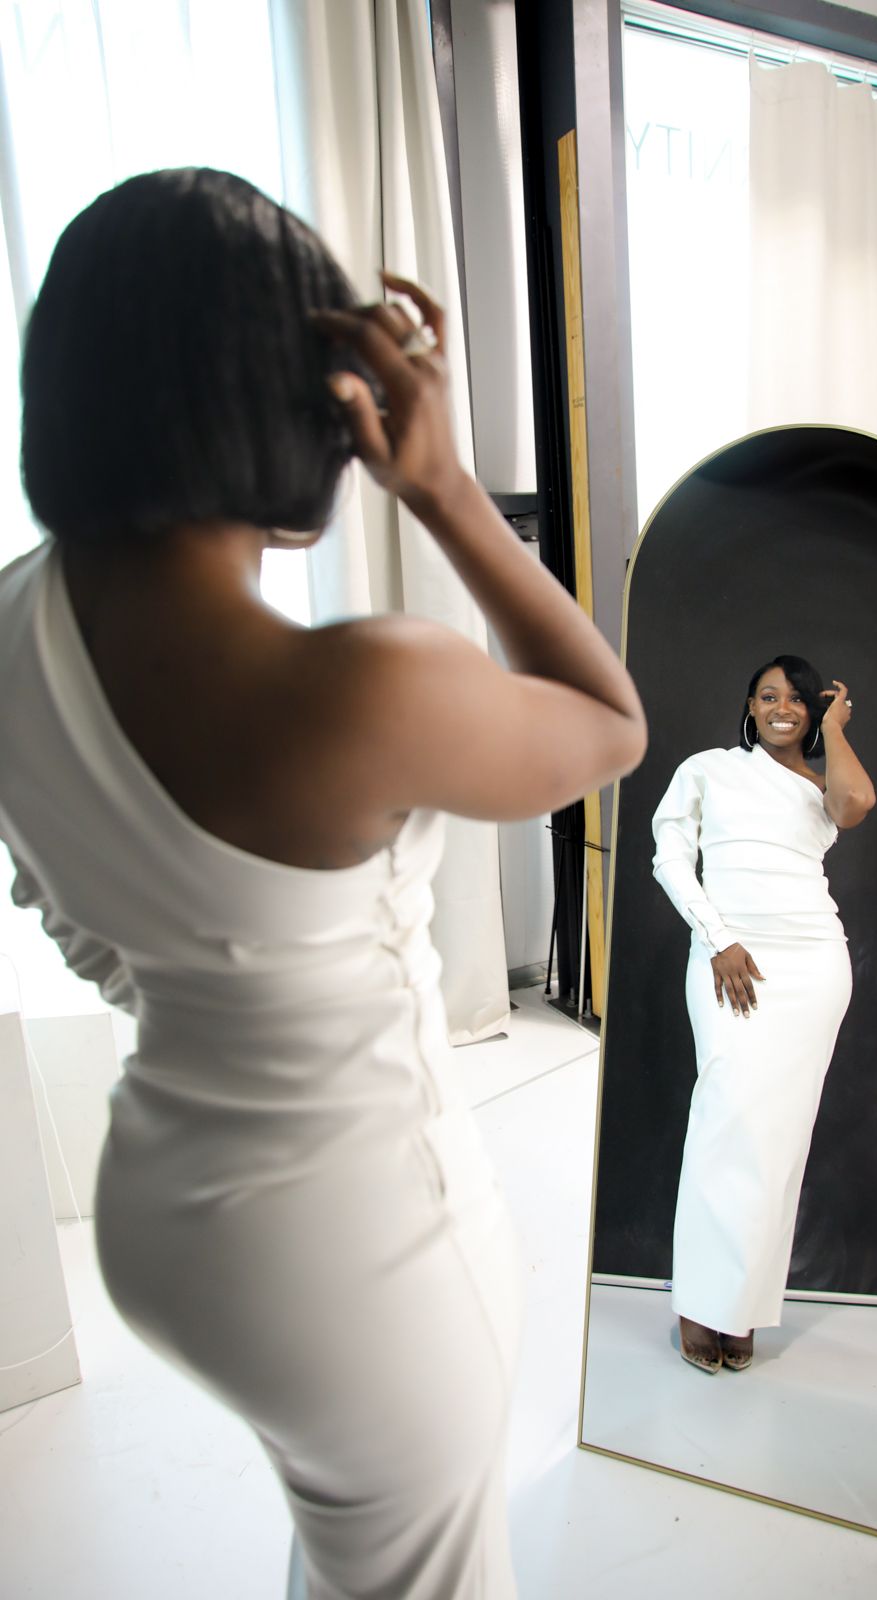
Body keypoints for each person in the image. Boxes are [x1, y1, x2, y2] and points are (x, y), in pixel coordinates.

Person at [0, 168, 646, 1600]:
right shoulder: (358, 688)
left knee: (352, 1541)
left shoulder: (11, 625)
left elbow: (83, 914)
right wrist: (444, 488)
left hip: (162, 1210)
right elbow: (609, 726)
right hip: (357, 1259)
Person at [650, 655, 874, 1375]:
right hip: (730, 955)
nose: (782, 708)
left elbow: (857, 803)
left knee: (780, 1142)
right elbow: (669, 858)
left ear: (812, 712)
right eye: (768, 696)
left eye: (797, 700)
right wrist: (717, 938)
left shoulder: (819, 785)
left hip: (812, 964)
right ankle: (699, 1303)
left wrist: (835, 728)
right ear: (749, 705)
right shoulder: (709, 769)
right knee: (725, 1124)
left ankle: (741, 1308)